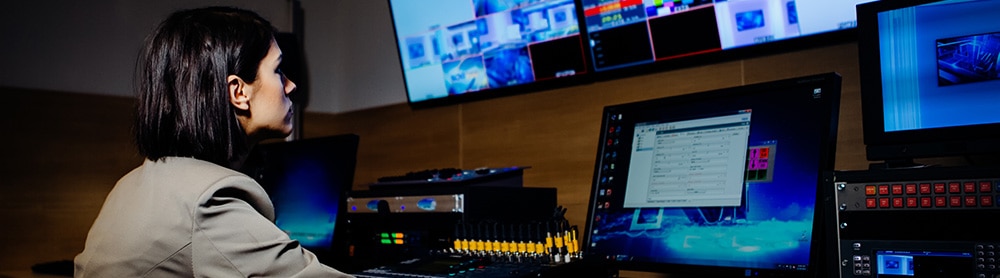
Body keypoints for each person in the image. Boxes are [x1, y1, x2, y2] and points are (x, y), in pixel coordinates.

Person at [74, 6, 353, 277]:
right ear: (238, 91)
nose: (291, 86)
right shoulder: (208, 203)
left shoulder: (133, 183)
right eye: (279, 70)